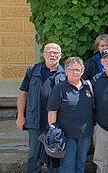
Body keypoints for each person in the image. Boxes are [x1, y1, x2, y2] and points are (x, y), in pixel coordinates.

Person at [17, 43, 64, 173]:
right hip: (35, 120)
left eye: (55, 52)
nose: (52, 55)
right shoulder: (32, 70)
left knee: (55, 155)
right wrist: (21, 116)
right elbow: (23, 94)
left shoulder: (65, 73)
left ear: (60, 55)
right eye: (49, 52)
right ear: (43, 54)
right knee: (34, 155)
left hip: (56, 122)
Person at [46, 57, 93, 173]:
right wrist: (54, 131)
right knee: (68, 166)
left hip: (85, 134)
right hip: (66, 135)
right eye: (72, 69)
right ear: (66, 71)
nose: (75, 72)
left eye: (78, 69)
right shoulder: (59, 88)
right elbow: (52, 112)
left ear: (82, 71)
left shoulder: (88, 86)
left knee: (81, 164)